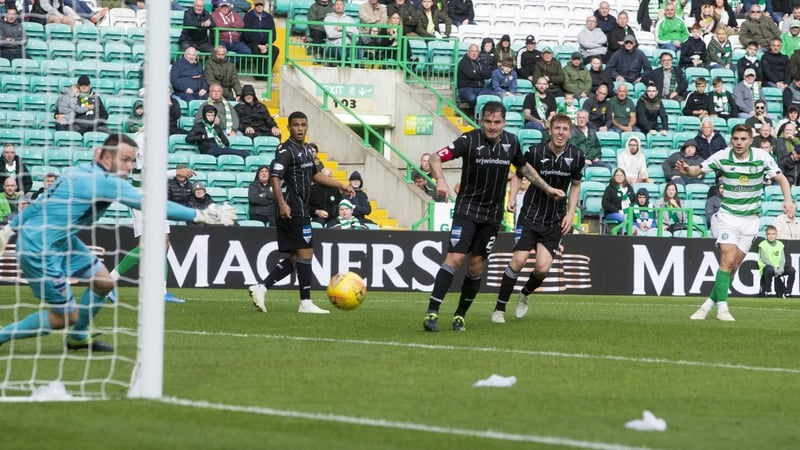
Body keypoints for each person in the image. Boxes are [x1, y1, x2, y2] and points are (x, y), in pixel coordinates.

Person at [0, 134, 236, 351]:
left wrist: (11, 228)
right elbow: (151, 203)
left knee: (103, 283)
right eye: (124, 160)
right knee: (65, 316)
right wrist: (198, 214)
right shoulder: (106, 181)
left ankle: (78, 338)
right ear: (104, 156)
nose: (129, 167)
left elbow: (41, 203)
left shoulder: (78, 171)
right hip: (38, 247)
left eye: (132, 161)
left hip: (60, 240)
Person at [421, 101, 565, 332]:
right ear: (481, 121)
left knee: (476, 266)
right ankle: (432, 311)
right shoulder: (468, 140)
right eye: (488, 121)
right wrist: (440, 179)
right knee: (455, 258)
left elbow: (524, 168)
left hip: (491, 215)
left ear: (504, 122)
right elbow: (436, 158)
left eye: (497, 122)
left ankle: (460, 315)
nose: (492, 126)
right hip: (467, 210)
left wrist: (546, 188)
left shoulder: (511, 142)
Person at [679, 124, 794, 321]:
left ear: (750, 140)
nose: (739, 143)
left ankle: (707, 305)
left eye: (743, 139)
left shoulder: (761, 157)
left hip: (751, 220)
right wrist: (686, 170)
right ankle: (722, 309)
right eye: (735, 139)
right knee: (727, 258)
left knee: (733, 267)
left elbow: (782, 179)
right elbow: (697, 170)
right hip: (728, 216)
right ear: (731, 140)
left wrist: (788, 200)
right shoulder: (722, 156)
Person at [247, 111, 355, 315]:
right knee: (306, 254)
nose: (300, 129)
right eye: (296, 125)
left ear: (307, 127)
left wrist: (340, 184)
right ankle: (305, 302)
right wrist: (282, 204)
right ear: (288, 127)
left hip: (300, 209)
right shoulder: (286, 150)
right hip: (291, 209)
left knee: (298, 257)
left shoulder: (306, 150)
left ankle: (261, 288)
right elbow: (275, 178)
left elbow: (316, 175)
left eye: (303, 125)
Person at [492, 114, 583, 323]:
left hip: (555, 219)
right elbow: (518, 175)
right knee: (519, 260)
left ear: (570, 132)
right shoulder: (535, 152)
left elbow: (576, 185)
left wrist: (570, 213)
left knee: (542, 269)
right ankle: (499, 309)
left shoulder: (577, 156)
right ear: (549, 130)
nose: (560, 132)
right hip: (530, 215)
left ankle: (524, 294)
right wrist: (512, 197)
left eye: (565, 129)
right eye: (557, 128)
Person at [108, 133, 198, 305]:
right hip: (142, 195)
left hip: (156, 195)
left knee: (164, 243)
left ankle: (161, 291)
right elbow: (143, 173)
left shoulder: (156, 136)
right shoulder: (140, 141)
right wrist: (175, 172)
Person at [758, 225, 796, 297]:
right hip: (767, 267)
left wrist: (781, 267)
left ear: (776, 235)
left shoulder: (780, 244)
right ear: (766, 235)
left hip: (778, 267)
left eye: (773, 234)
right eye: (769, 234)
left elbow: (782, 258)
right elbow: (765, 259)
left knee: (791, 270)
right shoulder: (763, 245)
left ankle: (788, 292)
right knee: (769, 269)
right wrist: (774, 268)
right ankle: (768, 291)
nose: (771, 236)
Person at [242, 1, 279, 71]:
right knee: (256, 50)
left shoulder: (269, 17)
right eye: (257, 5)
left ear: (264, 5)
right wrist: (258, 45)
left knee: (275, 50)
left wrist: (267, 45)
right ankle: (260, 73)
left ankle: (266, 72)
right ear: (254, 5)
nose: (259, 6)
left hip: (265, 44)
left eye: (261, 5)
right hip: (252, 43)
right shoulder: (248, 16)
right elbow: (247, 34)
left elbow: (273, 34)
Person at [456, 43, 492, 109]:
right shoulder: (464, 62)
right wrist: (482, 74)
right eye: (472, 51)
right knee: (473, 98)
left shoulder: (481, 62)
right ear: (468, 52)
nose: (474, 53)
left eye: (476, 51)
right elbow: (471, 75)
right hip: (466, 88)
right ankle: (473, 114)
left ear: (479, 53)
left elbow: (488, 74)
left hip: (480, 88)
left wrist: (477, 72)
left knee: (493, 95)